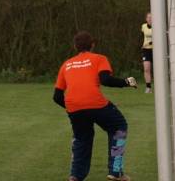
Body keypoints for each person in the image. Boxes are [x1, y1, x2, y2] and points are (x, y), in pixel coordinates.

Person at [54, 31, 137, 181]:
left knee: (82, 139)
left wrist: (73, 107)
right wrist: (126, 82)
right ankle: (116, 172)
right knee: (119, 127)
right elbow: (106, 80)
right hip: (96, 104)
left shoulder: (66, 64)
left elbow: (57, 97)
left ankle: (75, 176)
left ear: (75, 47)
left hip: (74, 107)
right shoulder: (99, 58)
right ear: (92, 45)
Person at [140, 12, 153, 94]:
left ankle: (161, 86)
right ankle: (148, 87)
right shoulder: (143, 26)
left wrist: (151, 42)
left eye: (151, 17)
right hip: (146, 50)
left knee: (159, 69)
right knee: (146, 69)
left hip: (156, 50)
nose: (150, 19)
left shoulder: (158, 26)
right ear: (146, 19)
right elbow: (143, 36)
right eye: (148, 17)